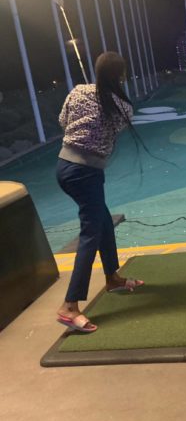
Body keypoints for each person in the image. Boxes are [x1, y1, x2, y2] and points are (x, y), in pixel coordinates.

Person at [56, 52, 144, 333]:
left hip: (65, 167)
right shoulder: (123, 106)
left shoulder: (78, 91)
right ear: (121, 76)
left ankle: (112, 278)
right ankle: (69, 306)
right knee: (90, 234)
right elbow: (110, 132)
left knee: (103, 221)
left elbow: (62, 122)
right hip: (86, 174)